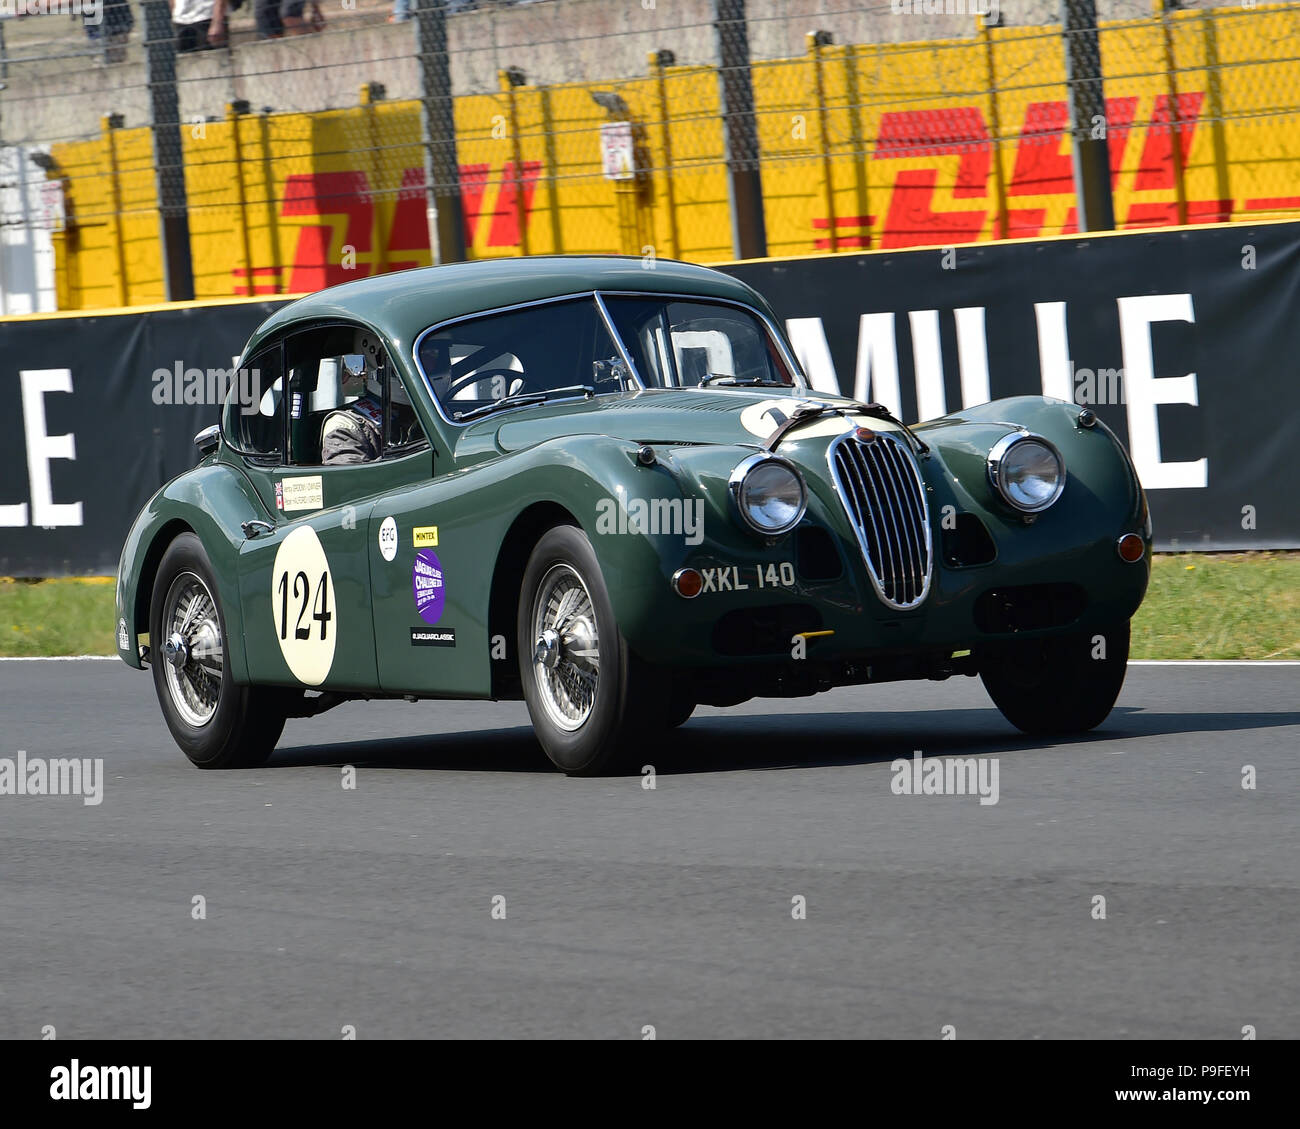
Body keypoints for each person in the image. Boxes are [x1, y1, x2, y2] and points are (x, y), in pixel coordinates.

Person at [320, 360, 419, 465]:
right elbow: (348, 477)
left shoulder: (425, 409)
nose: (432, 360)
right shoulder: (344, 424)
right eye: (429, 353)